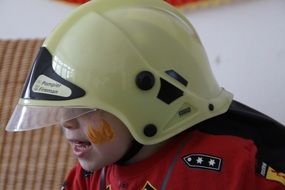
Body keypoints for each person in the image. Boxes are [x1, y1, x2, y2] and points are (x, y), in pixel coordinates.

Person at [6, 0, 285, 189]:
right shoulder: (93, 174)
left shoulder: (224, 168)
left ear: (148, 102)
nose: (65, 122)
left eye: (83, 108)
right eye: (63, 107)